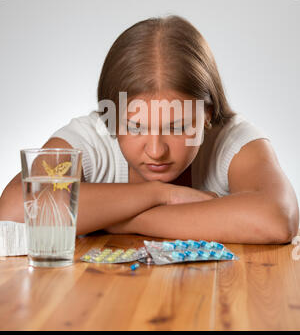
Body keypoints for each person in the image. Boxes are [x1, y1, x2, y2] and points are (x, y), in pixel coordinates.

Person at [0, 15, 298, 243]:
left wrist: (119, 220)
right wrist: (159, 194)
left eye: (178, 126)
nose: (156, 150)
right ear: (111, 117)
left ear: (206, 115)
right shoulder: (92, 140)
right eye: (134, 127)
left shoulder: (233, 140)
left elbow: (277, 218)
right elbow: (13, 212)